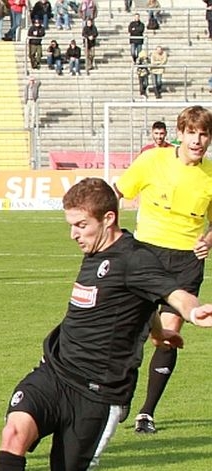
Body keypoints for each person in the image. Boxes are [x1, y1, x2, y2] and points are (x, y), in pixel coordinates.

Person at [0, 178, 212, 471]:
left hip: (98, 394)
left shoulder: (136, 258)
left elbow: (169, 292)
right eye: (71, 225)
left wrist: (192, 310)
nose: (74, 234)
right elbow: (137, 301)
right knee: (14, 431)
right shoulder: (96, 250)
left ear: (108, 219)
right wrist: (157, 333)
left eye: (81, 225)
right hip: (54, 372)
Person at [115, 106, 212, 435]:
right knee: (134, 331)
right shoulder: (152, 160)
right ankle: (122, 394)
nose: (197, 141)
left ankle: (147, 412)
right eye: (192, 133)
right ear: (180, 134)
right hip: (146, 254)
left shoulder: (210, 174)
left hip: (186, 262)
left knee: (168, 336)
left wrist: (207, 240)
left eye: (204, 134)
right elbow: (117, 193)